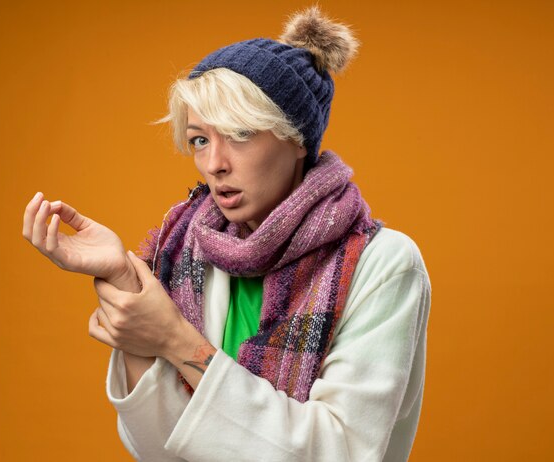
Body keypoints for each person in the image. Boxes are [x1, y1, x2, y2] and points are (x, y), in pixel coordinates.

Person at [22, 6, 431, 461]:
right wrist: (125, 279)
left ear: (297, 138)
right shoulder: (188, 252)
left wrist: (176, 341)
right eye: (199, 139)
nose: (214, 163)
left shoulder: (383, 263)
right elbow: (160, 451)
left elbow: (338, 451)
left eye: (239, 133)